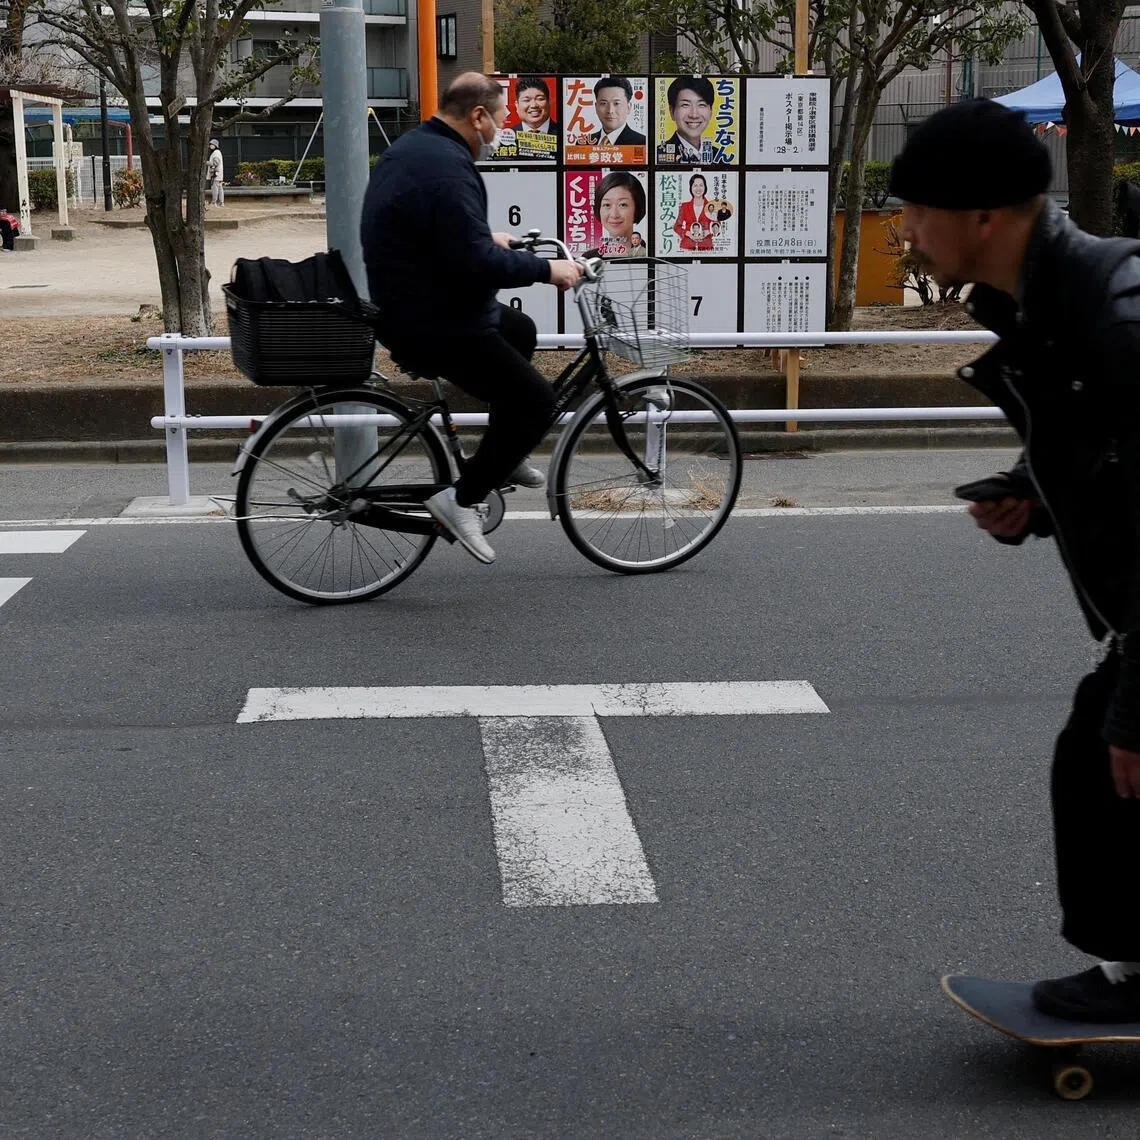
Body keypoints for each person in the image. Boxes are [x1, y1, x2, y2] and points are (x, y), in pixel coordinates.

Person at [890, 98, 1140, 1022]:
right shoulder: (1036, 307)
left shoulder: (1111, 312)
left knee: (1114, 746)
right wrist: (1033, 497)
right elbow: (1101, 453)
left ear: (985, 216)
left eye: (918, 211)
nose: (907, 231)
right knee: (1097, 754)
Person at [360, 72, 582, 565]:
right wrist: (549, 270)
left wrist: (488, 239)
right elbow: (476, 265)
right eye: (501, 118)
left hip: (419, 302)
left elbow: (444, 237)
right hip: (434, 320)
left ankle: (503, 455)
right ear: (477, 116)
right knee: (537, 402)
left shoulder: (420, 148)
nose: (502, 129)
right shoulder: (448, 168)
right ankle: (460, 501)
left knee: (520, 330)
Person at [657, 77, 725, 165]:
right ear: (672, 111)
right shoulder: (658, 155)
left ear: (710, 111)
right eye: (685, 105)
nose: (694, 115)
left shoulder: (719, 157)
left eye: (701, 105)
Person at [593, 171, 646, 257]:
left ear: (637, 207)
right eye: (607, 205)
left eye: (622, 205)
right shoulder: (588, 258)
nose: (614, 214)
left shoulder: (648, 254)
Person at [588, 76, 646, 147]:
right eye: (603, 103)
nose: (610, 110)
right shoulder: (584, 143)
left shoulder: (642, 143)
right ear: (596, 107)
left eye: (616, 103)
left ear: (628, 107)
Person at [673, 173, 714, 252]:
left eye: (701, 185)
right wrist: (687, 233)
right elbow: (676, 227)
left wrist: (709, 232)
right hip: (687, 247)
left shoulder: (711, 206)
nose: (698, 188)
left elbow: (717, 225)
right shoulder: (684, 207)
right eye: (695, 185)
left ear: (705, 187)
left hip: (706, 247)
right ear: (691, 188)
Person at [206, 139, 224, 207]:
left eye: (211, 144)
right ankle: (221, 202)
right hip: (218, 174)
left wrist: (206, 162)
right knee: (220, 188)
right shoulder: (218, 152)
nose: (210, 145)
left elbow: (215, 163)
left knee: (215, 188)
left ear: (215, 145)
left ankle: (214, 202)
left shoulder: (216, 152)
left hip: (215, 174)